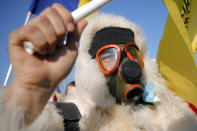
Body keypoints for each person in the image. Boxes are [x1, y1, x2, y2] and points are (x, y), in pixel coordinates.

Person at [0, 3, 197, 131]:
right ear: (92, 69)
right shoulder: (73, 119)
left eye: (132, 53)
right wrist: (27, 91)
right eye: (110, 55)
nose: (128, 64)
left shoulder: (174, 117)